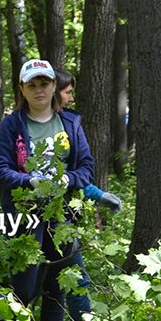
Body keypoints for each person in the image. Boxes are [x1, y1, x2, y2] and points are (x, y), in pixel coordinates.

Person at [0, 58, 94, 321]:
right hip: (25, 215)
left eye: (44, 83)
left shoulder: (70, 122)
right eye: (32, 85)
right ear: (22, 89)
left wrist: (69, 179)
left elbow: (86, 166)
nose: (39, 90)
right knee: (25, 288)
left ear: (54, 86)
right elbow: (2, 171)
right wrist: (29, 180)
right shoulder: (12, 125)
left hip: (62, 214)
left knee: (57, 284)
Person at [54, 68, 122, 213]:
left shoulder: (70, 124)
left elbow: (79, 168)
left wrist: (97, 194)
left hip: (65, 213)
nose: (71, 99)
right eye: (67, 92)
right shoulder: (19, 125)